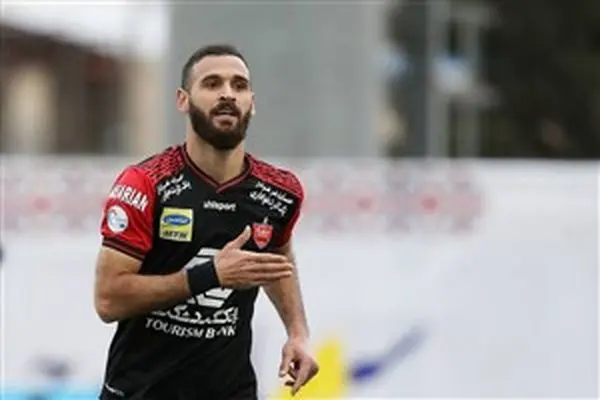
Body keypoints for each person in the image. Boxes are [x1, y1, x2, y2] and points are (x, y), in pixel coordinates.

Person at [94, 44, 319, 400]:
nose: (228, 93)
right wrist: (211, 275)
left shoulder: (279, 191)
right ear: (183, 100)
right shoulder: (145, 183)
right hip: (142, 391)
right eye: (212, 84)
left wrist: (297, 332)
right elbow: (109, 300)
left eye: (239, 85)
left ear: (252, 103)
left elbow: (277, 257)